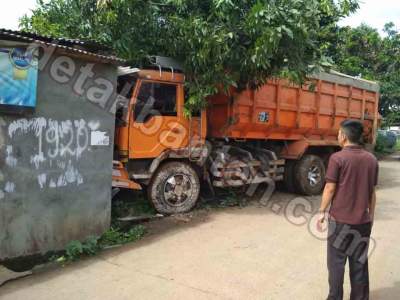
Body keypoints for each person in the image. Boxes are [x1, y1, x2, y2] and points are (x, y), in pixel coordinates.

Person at [318, 119, 379, 300]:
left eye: (338, 133)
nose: (338, 136)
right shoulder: (371, 159)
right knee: (359, 264)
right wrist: (371, 215)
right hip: (362, 221)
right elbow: (372, 193)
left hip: (339, 222)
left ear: (343, 136)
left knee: (336, 264)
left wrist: (321, 212)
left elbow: (330, 188)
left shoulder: (338, 158)